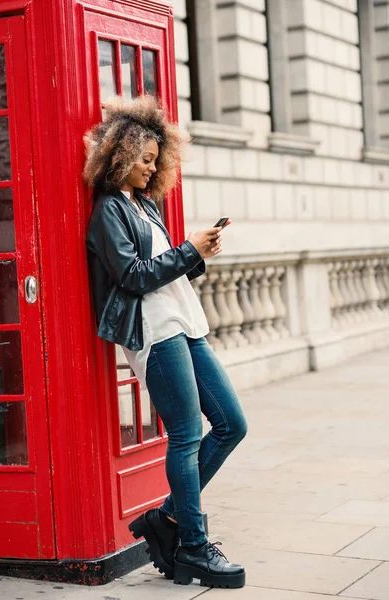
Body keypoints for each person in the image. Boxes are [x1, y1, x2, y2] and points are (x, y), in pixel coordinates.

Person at [84, 95, 248, 589]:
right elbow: (133, 277)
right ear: (120, 154)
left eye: (158, 160)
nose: (152, 168)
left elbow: (167, 272)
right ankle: (193, 548)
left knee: (230, 424)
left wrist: (198, 254)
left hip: (185, 321)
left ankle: (166, 519)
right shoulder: (109, 210)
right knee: (183, 432)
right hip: (153, 330)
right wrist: (186, 249)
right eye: (145, 159)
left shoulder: (146, 206)